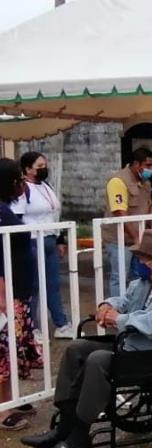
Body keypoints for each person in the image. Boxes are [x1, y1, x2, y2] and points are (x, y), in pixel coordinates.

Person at [21, 229, 152, 448]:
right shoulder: (147, 279)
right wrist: (107, 306)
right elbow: (125, 299)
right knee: (77, 349)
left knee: (98, 360)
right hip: (135, 345)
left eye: (141, 258)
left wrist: (120, 319)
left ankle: (78, 441)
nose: (137, 262)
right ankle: (64, 426)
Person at [0, 159, 43, 431]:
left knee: (14, 347)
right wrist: (3, 295)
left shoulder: (7, 209)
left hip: (19, 291)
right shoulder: (1, 213)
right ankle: (4, 408)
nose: (22, 184)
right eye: (18, 179)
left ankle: (12, 397)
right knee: (4, 349)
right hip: (8, 293)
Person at [15, 152, 74, 339]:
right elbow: (17, 216)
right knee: (33, 286)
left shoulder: (45, 186)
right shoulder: (23, 189)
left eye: (44, 165)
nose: (43, 169)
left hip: (49, 239)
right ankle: (32, 328)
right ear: (27, 169)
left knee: (53, 284)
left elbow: (54, 214)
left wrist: (60, 239)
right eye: (39, 166)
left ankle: (61, 323)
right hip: (31, 240)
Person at [103, 147, 152, 297]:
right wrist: (135, 237)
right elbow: (120, 213)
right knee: (119, 277)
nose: (151, 169)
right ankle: (116, 312)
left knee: (138, 276)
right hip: (119, 239)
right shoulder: (118, 181)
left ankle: (134, 309)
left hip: (137, 239)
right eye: (148, 165)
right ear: (137, 164)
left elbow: (147, 210)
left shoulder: (145, 183)